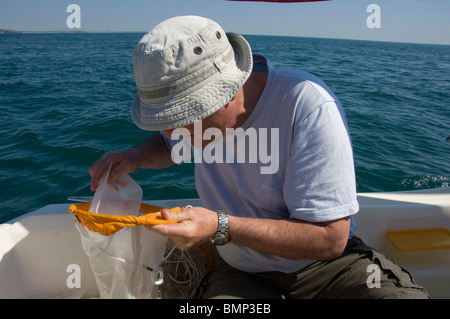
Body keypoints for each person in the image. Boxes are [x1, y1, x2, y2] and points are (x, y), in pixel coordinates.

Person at [89, 16, 429, 299]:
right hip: (240, 273)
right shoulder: (193, 127)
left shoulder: (306, 104)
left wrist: (219, 226)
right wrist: (134, 156)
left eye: (185, 119)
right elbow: (169, 146)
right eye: (168, 122)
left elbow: (329, 239)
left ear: (227, 91)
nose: (178, 133)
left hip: (328, 269)